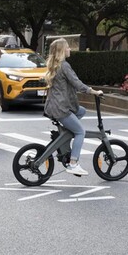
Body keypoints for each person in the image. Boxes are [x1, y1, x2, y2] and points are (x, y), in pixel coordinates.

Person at [44, 38, 103, 176]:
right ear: (62, 50)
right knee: (80, 132)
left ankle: (65, 135)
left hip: (53, 106)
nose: (70, 49)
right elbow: (77, 84)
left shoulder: (54, 65)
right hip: (61, 108)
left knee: (81, 111)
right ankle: (73, 163)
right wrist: (94, 91)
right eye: (68, 47)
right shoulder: (64, 66)